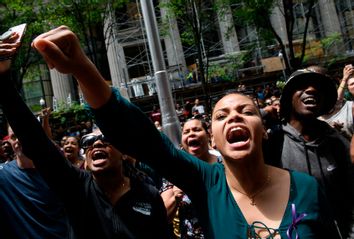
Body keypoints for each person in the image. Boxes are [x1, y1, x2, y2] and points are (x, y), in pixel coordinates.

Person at [31, 26, 339, 239]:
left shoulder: (307, 189)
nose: (234, 117)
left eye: (246, 111)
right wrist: (84, 68)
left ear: (265, 131)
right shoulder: (206, 182)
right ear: (215, 138)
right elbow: (146, 142)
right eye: (221, 115)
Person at [0, 28, 168, 239]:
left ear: (125, 152)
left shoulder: (148, 194)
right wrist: (3, 79)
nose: (96, 144)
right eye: (88, 140)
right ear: (85, 160)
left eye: (105, 139)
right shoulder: (75, 187)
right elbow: (36, 143)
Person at [265, 68, 354, 238]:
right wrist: (264, 112)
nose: (312, 90)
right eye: (302, 85)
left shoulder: (334, 141)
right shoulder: (273, 142)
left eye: (318, 87)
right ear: (288, 97)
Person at [0, 32, 70, 239]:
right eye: (13, 137)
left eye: (22, 134)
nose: (18, 140)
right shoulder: (3, 178)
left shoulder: (63, 172)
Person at [160, 118, 221, 238]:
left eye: (197, 129)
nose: (191, 133)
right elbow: (163, 217)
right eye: (186, 132)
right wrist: (176, 195)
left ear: (208, 135)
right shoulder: (174, 171)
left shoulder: (225, 164)